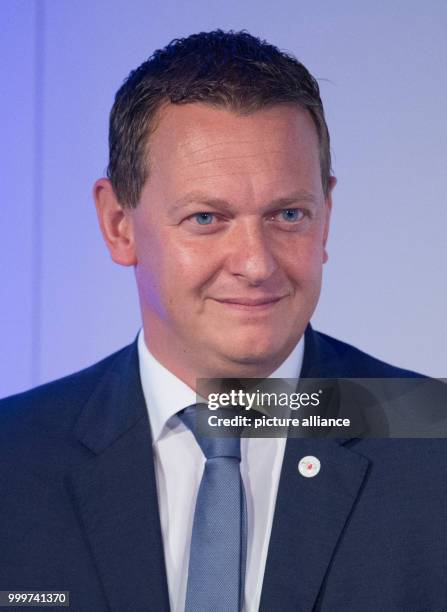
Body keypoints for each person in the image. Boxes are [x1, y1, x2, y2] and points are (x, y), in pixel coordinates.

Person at [0, 29, 446, 612]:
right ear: (118, 224)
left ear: (327, 215)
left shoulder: (433, 439)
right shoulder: (14, 455)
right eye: (207, 217)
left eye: (289, 214)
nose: (256, 264)